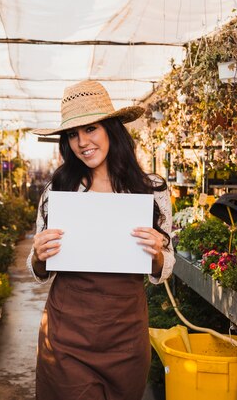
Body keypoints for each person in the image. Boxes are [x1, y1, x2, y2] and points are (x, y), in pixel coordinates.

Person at [27, 80, 175, 400]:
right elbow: (38, 266)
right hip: (67, 336)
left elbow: (166, 265)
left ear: (111, 129)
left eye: (90, 129)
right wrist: (39, 255)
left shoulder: (151, 190)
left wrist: (157, 253)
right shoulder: (60, 190)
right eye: (72, 134)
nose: (82, 142)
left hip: (126, 337)